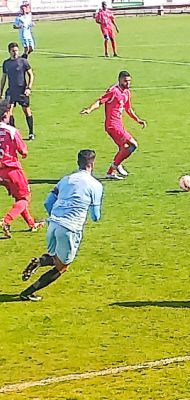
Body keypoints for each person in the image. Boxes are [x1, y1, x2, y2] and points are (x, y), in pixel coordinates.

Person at [20, 149, 104, 302]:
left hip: (53, 224)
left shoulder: (66, 180)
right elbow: (95, 217)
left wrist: (57, 216)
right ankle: (28, 292)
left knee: (56, 257)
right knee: (63, 266)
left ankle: (40, 262)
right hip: (70, 228)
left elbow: (48, 203)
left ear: (78, 162)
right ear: (92, 164)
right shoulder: (95, 185)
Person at [80, 70, 147, 179]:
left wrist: (138, 120)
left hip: (119, 125)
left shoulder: (126, 92)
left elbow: (128, 109)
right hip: (112, 126)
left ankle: (112, 169)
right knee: (133, 144)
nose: (128, 83)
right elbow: (100, 101)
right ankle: (115, 166)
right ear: (119, 80)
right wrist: (89, 109)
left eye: (129, 81)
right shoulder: (113, 91)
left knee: (124, 148)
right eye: (125, 81)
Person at [0, 98, 44, 238]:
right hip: (11, 169)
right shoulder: (11, 131)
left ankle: (31, 224)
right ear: (6, 114)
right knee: (25, 198)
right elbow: (23, 151)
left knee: (19, 198)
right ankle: (6, 221)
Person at [0, 42, 35, 140]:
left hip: (22, 91)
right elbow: (4, 78)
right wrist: (1, 91)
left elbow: (31, 75)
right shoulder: (6, 63)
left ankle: (31, 133)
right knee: (8, 113)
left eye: (16, 50)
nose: (15, 52)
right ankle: (14, 133)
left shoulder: (23, 61)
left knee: (27, 111)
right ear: (9, 52)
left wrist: (28, 88)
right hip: (11, 91)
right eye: (13, 51)